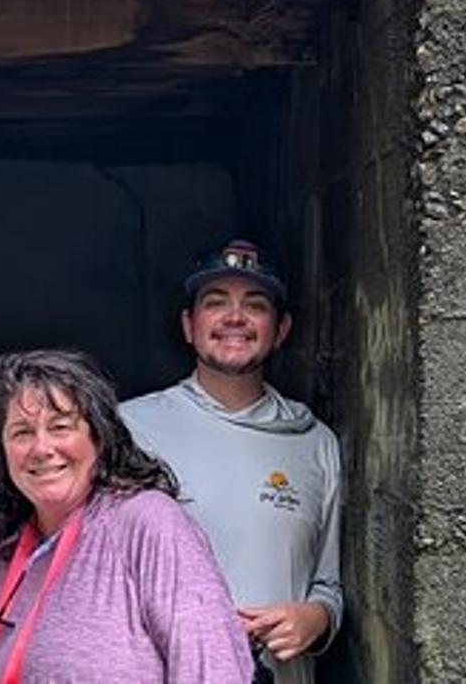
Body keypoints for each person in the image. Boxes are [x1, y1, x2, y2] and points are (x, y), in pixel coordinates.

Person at [120, 240, 344, 684]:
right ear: (189, 325)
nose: (235, 317)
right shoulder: (129, 428)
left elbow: (328, 583)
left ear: (280, 330)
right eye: (216, 303)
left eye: (255, 305)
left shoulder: (315, 443)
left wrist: (316, 619)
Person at [0, 348, 251, 684]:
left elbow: (214, 670)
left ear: (98, 436)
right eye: (22, 432)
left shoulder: (148, 522)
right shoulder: (6, 556)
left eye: (60, 427)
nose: (41, 448)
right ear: (1, 448)